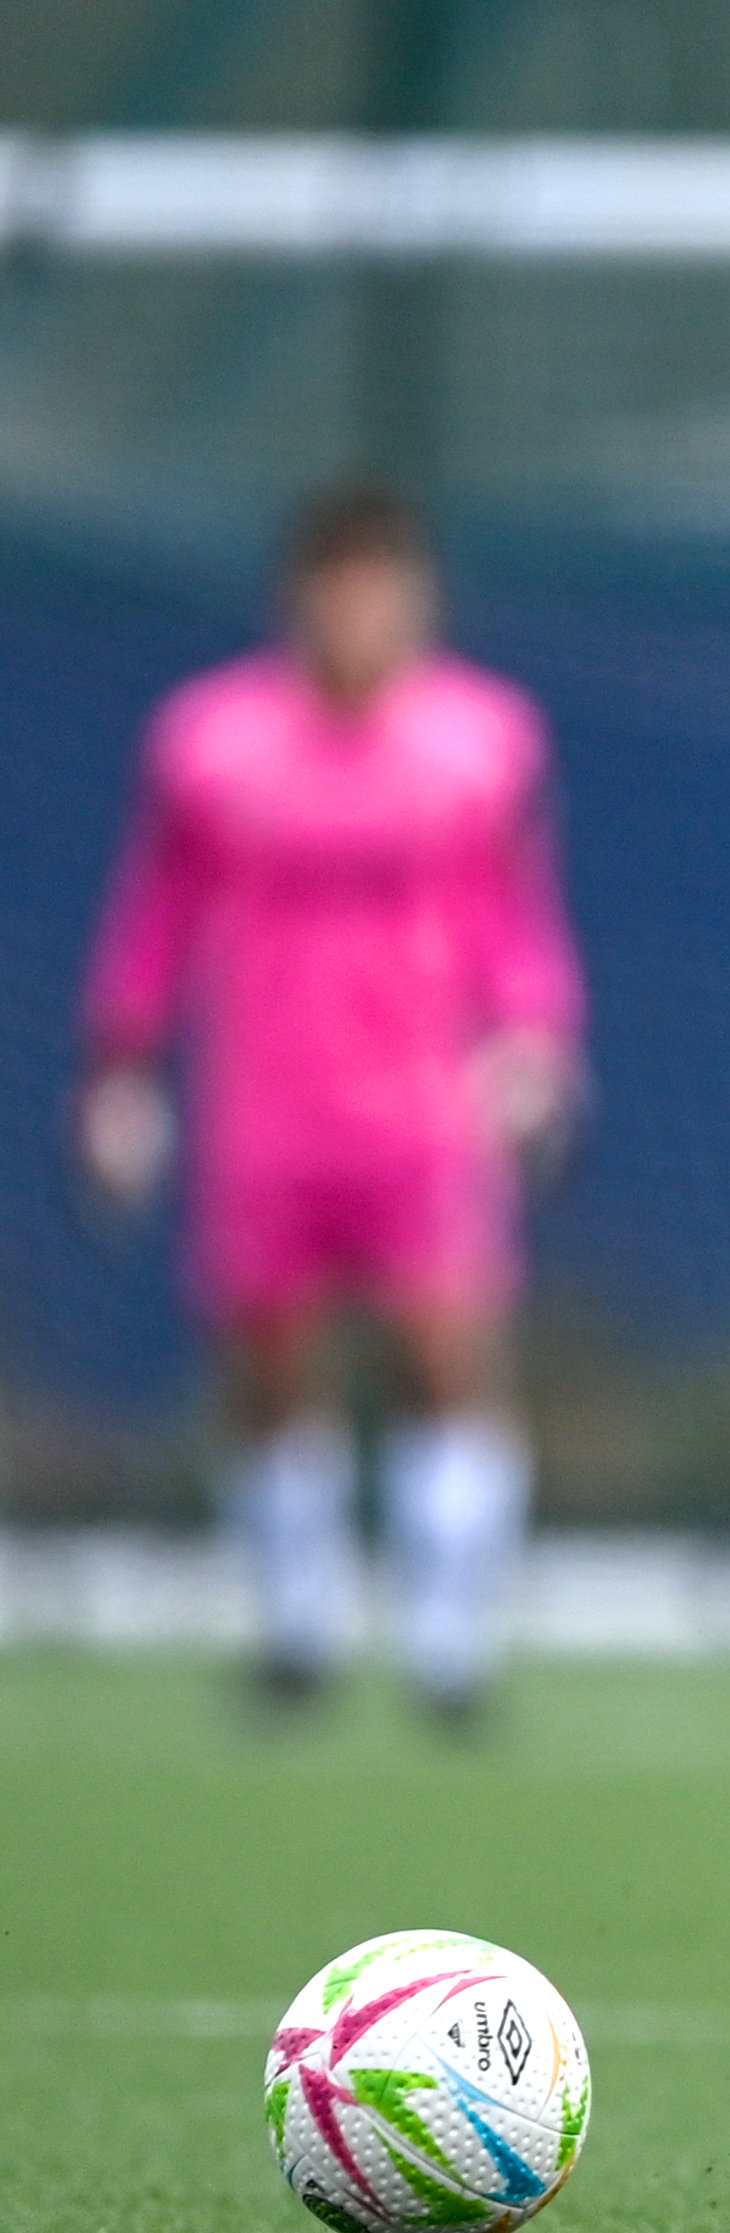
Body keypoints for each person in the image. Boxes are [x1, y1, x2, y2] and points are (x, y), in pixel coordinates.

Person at [76, 483, 583, 1725]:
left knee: (445, 1358)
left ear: (417, 599)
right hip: (266, 1110)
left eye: (378, 587)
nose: (355, 613)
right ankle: (297, 1632)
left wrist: (534, 1041)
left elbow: (512, 916)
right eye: (333, 586)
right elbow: (158, 913)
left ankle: (449, 1647)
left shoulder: (482, 742)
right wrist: (122, 1066)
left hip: (422, 1109)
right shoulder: (209, 742)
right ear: (295, 597)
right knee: (268, 1370)